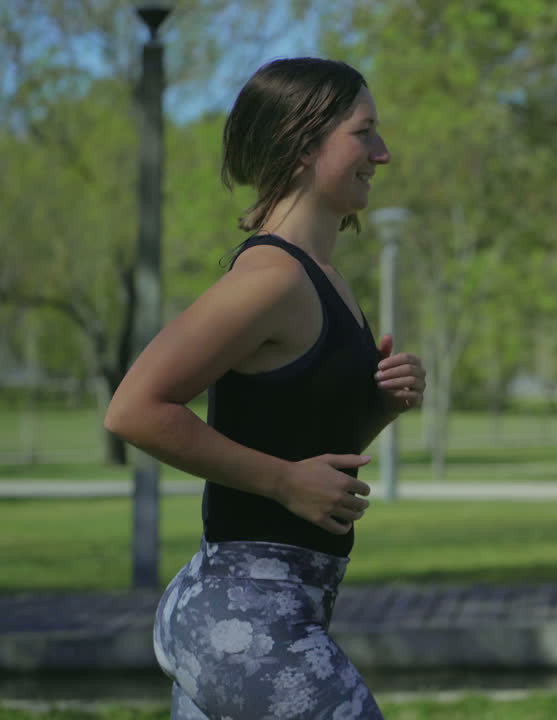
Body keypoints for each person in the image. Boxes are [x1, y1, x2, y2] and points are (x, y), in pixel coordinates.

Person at [105, 57, 423, 719]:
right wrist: (282, 481)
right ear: (303, 145)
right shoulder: (272, 278)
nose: (382, 153)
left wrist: (380, 407)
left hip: (270, 612)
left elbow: (305, 447)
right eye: (363, 132)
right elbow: (134, 409)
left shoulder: (324, 277)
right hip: (244, 619)